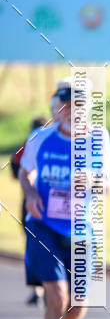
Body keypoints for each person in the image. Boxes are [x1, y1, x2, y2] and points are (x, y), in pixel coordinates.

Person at [19, 82, 110, 319]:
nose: (71, 112)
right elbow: (24, 172)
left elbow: (109, 183)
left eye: (78, 106)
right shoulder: (41, 137)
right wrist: (31, 192)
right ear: (57, 109)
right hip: (43, 226)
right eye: (65, 106)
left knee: (76, 307)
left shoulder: (99, 139)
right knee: (57, 296)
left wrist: (94, 179)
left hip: (81, 230)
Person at [11, 115, 47, 305]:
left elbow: (14, 167)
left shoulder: (29, 143)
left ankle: (38, 289)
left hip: (30, 201)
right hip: (47, 203)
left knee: (32, 244)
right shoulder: (51, 140)